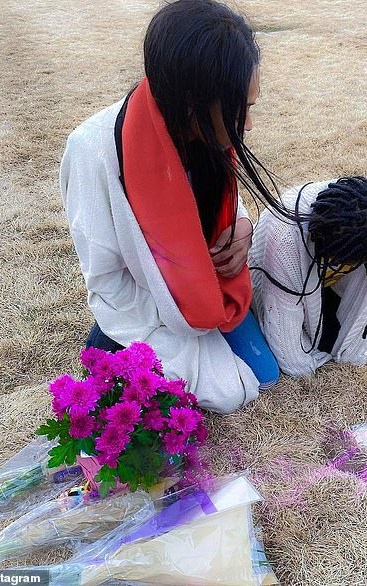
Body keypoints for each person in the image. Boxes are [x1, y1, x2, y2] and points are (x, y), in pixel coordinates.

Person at [60, 0, 290, 414]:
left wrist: (242, 228)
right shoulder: (93, 150)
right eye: (241, 110)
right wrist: (181, 322)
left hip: (207, 293)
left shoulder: (208, 134)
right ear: (192, 103)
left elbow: (224, 204)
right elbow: (108, 284)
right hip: (145, 312)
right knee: (230, 392)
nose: (248, 126)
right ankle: (116, 359)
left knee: (265, 375)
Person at [249, 177, 367, 377]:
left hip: (323, 279)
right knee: (294, 353)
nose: (349, 266)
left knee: (334, 337)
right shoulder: (284, 238)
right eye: (343, 260)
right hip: (276, 277)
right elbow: (286, 340)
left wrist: (353, 350)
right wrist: (304, 363)